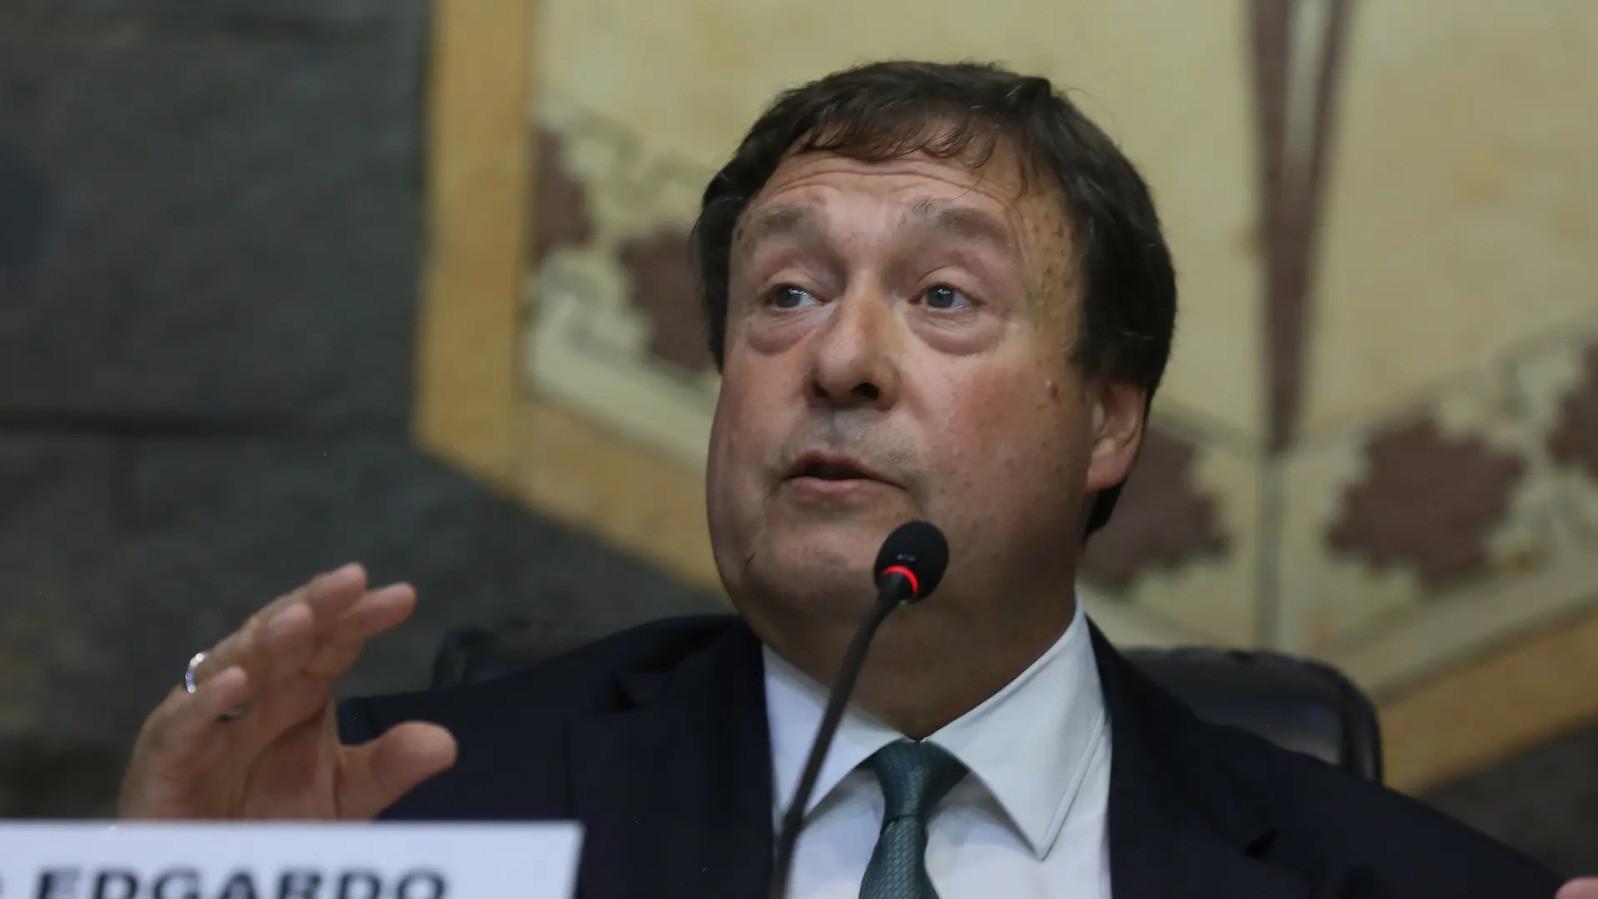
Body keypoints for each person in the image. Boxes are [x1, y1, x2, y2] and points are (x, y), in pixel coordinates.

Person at [119, 61, 1582, 898]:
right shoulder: (387, 837)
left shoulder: (1393, 889)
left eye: (944, 296)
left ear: (1107, 422)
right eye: (785, 294)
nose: (838, 359)